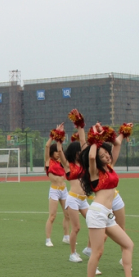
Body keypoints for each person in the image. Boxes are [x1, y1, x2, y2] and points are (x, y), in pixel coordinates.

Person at [80, 123, 139, 277]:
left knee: (128, 244)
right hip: (97, 213)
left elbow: (117, 143)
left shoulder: (110, 166)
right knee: (97, 252)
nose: (106, 155)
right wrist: (95, 138)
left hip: (108, 215)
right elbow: (91, 156)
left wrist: (122, 131)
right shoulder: (94, 172)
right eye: (103, 155)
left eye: (107, 153)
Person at [61, 110, 88, 263]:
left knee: (94, 223)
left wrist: (80, 125)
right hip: (72, 199)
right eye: (78, 151)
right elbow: (60, 152)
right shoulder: (68, 165)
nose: (80, 153)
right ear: (73, 152)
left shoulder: (84, 163)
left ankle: (89, 249)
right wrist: (59, 138)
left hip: (83, 200)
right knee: (76, 228)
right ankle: (72, 254)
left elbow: (83, 140)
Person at [43, 123, 70, 247]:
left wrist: (61, 134)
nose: (58, 153)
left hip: (64, 189)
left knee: (67, 214)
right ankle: (48, 239)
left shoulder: (61, 162)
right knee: (52, 216)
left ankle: (66, 237)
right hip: (54, 190)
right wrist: (54, 134)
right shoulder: (48, 161)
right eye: (56, 152)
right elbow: (47, 146)